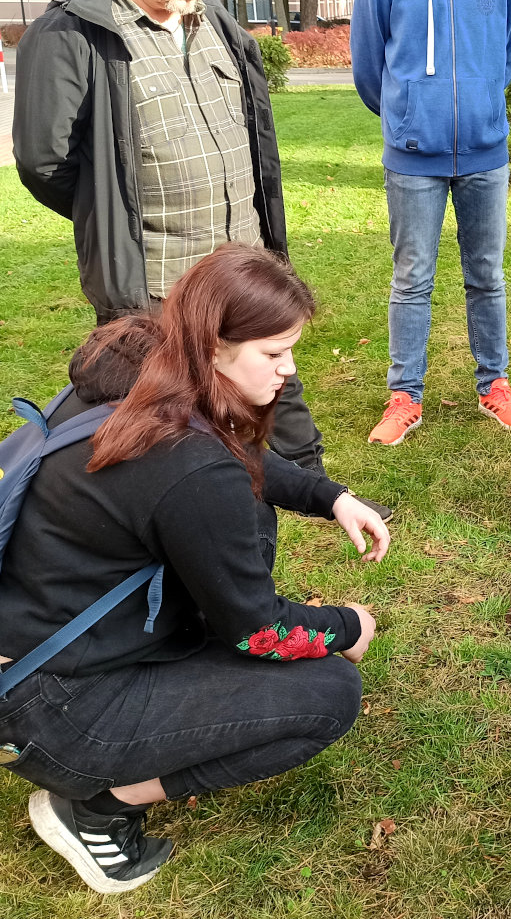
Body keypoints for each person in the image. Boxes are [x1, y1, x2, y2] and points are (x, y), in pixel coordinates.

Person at [0, 244, 389, 894]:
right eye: (273, 354)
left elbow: (226, 457)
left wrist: (328, 495)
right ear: (213, 347)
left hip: (32, 653)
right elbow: (260, 632)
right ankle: (99, 808)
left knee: (243, 547)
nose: (288, 372)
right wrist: (348, 625)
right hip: (54, 711)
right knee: (327, 695)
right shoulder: (191, 467)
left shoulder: (138, 370)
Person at [12, 0, 325, 471]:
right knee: (165, 427)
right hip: (154, 282)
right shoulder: (72, 35)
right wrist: (113, 208)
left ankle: (310, 481)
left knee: (274, 377)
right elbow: (43, 160)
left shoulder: (214, 22)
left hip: (241, 262)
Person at [350, 0, 511, 445]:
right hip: (413, 159)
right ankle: (405, 395)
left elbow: (506, 57)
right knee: (412, 277)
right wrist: (407, 119)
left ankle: (495, 384)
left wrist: (476, 106)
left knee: (487, 274)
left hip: (484, 152)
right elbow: (369, 68)